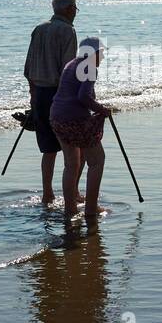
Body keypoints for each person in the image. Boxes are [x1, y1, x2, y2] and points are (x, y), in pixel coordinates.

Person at [49, 37, 115, 224]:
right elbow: (83, 97)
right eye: (101, 53)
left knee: (71, 165)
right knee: (97, 161)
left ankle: (70, 210)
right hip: (74, 120)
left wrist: (96, 107)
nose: (103, 57)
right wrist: (102, 109)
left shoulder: (71, 63)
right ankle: (91, 209)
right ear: (93, 53)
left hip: (56, 117)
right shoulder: (89, 67)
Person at [25, 0, 79, 204]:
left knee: (48, 149)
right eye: (75, 8)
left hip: (38, 93)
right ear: (67, 9)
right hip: (59, 95)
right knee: (71, 149)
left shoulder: (39, 29)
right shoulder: (67, 30)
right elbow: (68, 69)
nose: (75, 13)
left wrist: (32, 97)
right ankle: (72, 195)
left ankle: (47, 194)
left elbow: (28, 68)